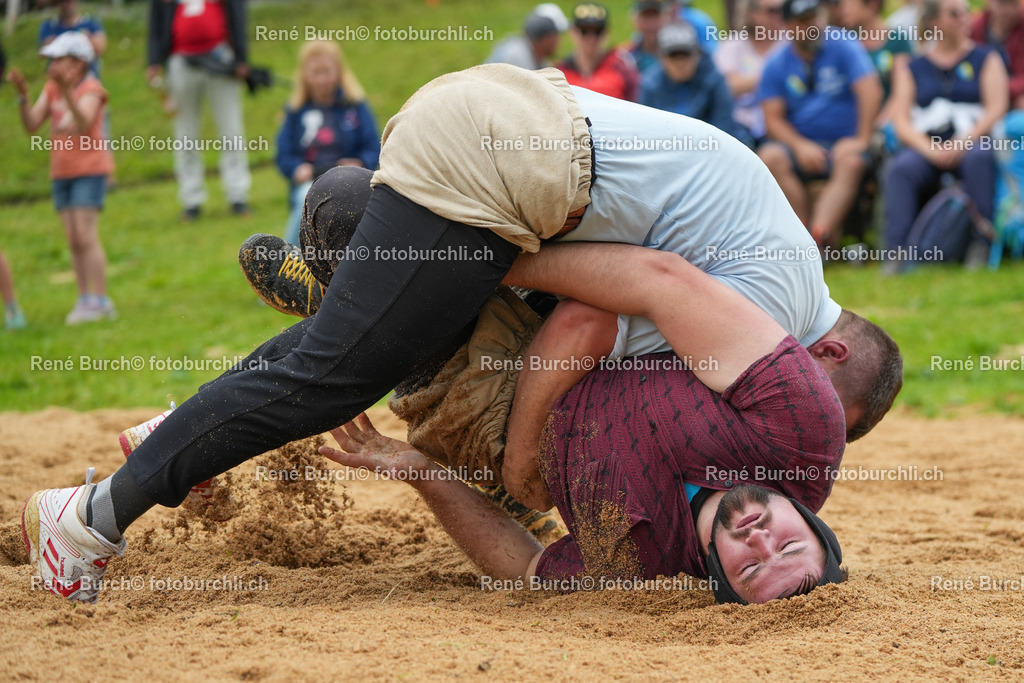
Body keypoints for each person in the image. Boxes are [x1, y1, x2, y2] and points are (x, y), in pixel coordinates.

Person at [22, 63, 898, 603]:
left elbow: (586, 321)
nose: (780, 456)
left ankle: (299, 327)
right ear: (821, 355)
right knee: (345, 373)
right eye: (831, 410)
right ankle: (89, 521)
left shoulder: (776, 278)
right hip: (511, 166)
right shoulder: (771, 327)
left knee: (366, 323)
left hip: (510, 143)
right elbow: (592, 320)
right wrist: (522, 474)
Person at [884, 0, 1008, 269]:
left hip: (973, 140)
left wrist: (961, 142)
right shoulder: (912, 66)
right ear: (934, 22)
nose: (965, 18)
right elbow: (901, 122)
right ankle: (897, 253)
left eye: (966, 12)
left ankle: (981, 244)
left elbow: (996, 107)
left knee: (979, 159)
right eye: (955, 13)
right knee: (902, 168)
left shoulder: (987, 58)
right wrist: (931, 150)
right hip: (928, 144)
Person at [756, 0, 883, 249]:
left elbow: (871, 91)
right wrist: (800, 145)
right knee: (769, 156)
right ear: (789, 26)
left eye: (815, 17)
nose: (812, 26)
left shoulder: (844, 44)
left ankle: (818, 239)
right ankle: (799, 237)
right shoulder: (776, 62)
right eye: (804, 21)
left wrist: (861, 139)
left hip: (843, 142)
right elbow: (772, 118)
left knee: (851, 162)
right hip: (799, 144)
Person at [8, 32, 116, 324]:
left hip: (90, 170)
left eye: (59, 58)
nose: (53, 65)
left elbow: (83, 122)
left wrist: (67, 89)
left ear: (79, 63)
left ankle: (101, 299)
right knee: (72, 239)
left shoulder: (92, 89)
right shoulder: (52, 89)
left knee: (85, 234)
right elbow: (31, 125)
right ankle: (84, 298)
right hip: (62, 172)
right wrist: (22, 95)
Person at [146, 0, 251, 221]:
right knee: (185, 135)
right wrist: (154, 60)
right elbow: (156, 22)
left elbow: (237, 13)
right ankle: (191, 200)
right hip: (181, 61)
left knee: (231, 130)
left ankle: (238, 195)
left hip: (220, 58)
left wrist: (241, 57)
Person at [276, 41, 380, 247]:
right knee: (307, 199)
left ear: (339, 71)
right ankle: (291, 256)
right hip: (310, 181)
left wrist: (359, 163)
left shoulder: (355, 107)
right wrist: (297, 169)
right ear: (305, 74)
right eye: (316, 72)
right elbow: (283, 154)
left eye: (327, 71)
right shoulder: (296, 111)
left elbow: (374, 147)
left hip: (347, 180)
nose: (322, 79)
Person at [641, 21, 753, 145]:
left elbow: (723, 128)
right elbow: (646, 133)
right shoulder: (650, 85)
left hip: (713, 149)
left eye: (685, 55)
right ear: (662, 57)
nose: (680, 63)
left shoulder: (713, 80)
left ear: (697, 54)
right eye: (673, 56)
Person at [713, 0, 786, 144]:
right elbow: (724, 88)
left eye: (783, 9)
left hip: (783, 121)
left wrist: (746, 82)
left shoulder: (790, 44)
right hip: (739, 127)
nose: (779, 15)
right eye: (772, 10)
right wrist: (772, 78)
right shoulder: (733, 45)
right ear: (753, 13)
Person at [840, 0, 914, 123]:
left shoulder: (897, 40)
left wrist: (879, 124)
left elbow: (901, 94)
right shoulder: (844, 42)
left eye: (850, 5)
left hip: (888, 124)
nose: (844, 10)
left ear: (872, 4)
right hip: (851, 125)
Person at [557, 2, 641, 101]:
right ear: (573, 32)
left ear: (606, 34)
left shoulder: (623, 70)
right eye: (584, 31)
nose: (591, 37)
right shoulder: (559, 73)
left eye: (597, 31)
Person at [970, 0, 1024, 109]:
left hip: (1014, 93)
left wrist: (1002, 89)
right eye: (1002, 4)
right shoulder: (975, 29)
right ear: (989, 3)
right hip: (982, 95)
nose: (1008, 10)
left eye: (1014, 4)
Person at [486, 3, 569, 70]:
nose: (560, 41)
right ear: (547, 38)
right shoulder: (517, 57)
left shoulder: (531, 53)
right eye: (558, 35)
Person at [39, 0, 106, 78]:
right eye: (63, 1)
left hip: (89, 77)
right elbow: (45, 51)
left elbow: (99, 48)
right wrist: (84, 39)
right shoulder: (49, 25)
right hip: (59, 79)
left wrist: (59, 44)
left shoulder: (92, 22)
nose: (67, 4)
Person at [625, 0, 670, 75]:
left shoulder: (681, 53)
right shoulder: (626, 56)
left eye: (656, 16)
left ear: (666, 18)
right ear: (635, 20)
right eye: (646, 16)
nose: (651, 24)